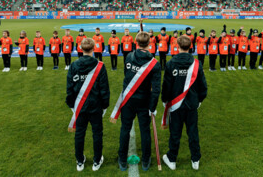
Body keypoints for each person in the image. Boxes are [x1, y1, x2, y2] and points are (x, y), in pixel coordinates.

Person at [110, 31, 161, 172]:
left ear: (136, 43)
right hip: (144, 101)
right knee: (145, 131)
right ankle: (145, 160)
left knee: (125, 129)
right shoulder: (154, 64)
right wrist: (153, 106)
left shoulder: (129, 57)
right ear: (150, 44)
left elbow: (127, 76)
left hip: (128, 100)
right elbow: (156, 89)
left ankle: (122, 159)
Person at [161, 35, 207, 171]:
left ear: (177, 46)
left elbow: (166, 86)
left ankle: (172, 159)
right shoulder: (197, 64)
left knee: (175, 133)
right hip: (191, 104)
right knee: (193, 132)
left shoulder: (170, 63)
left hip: (176, 106)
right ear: (190, 47)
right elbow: (203, 86)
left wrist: (165, 100)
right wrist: (200, 100)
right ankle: (195, 159)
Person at [66, 38, 110, 172]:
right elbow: (104, 89)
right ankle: (97, 160)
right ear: (94, 48)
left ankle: (80, 160)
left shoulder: (74, 65)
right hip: (96, 106)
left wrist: (72, 105)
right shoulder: (100, 66)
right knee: (97, 134)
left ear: (80, 48)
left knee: (79, 134)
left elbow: (70, 87)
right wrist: (105, 105)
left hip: (80, 106)